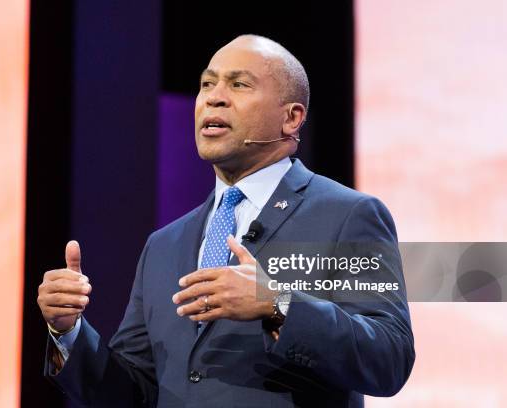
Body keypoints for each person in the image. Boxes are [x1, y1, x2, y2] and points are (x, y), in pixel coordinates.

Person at [37, 34, 415, 407]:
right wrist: (67, 332)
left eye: (239, 84)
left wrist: (276, 302)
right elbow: (130, 393)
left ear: (291, 118)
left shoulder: (348, 215)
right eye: (206, 83)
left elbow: (389, 358)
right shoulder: (164, 245)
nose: (214, 97)